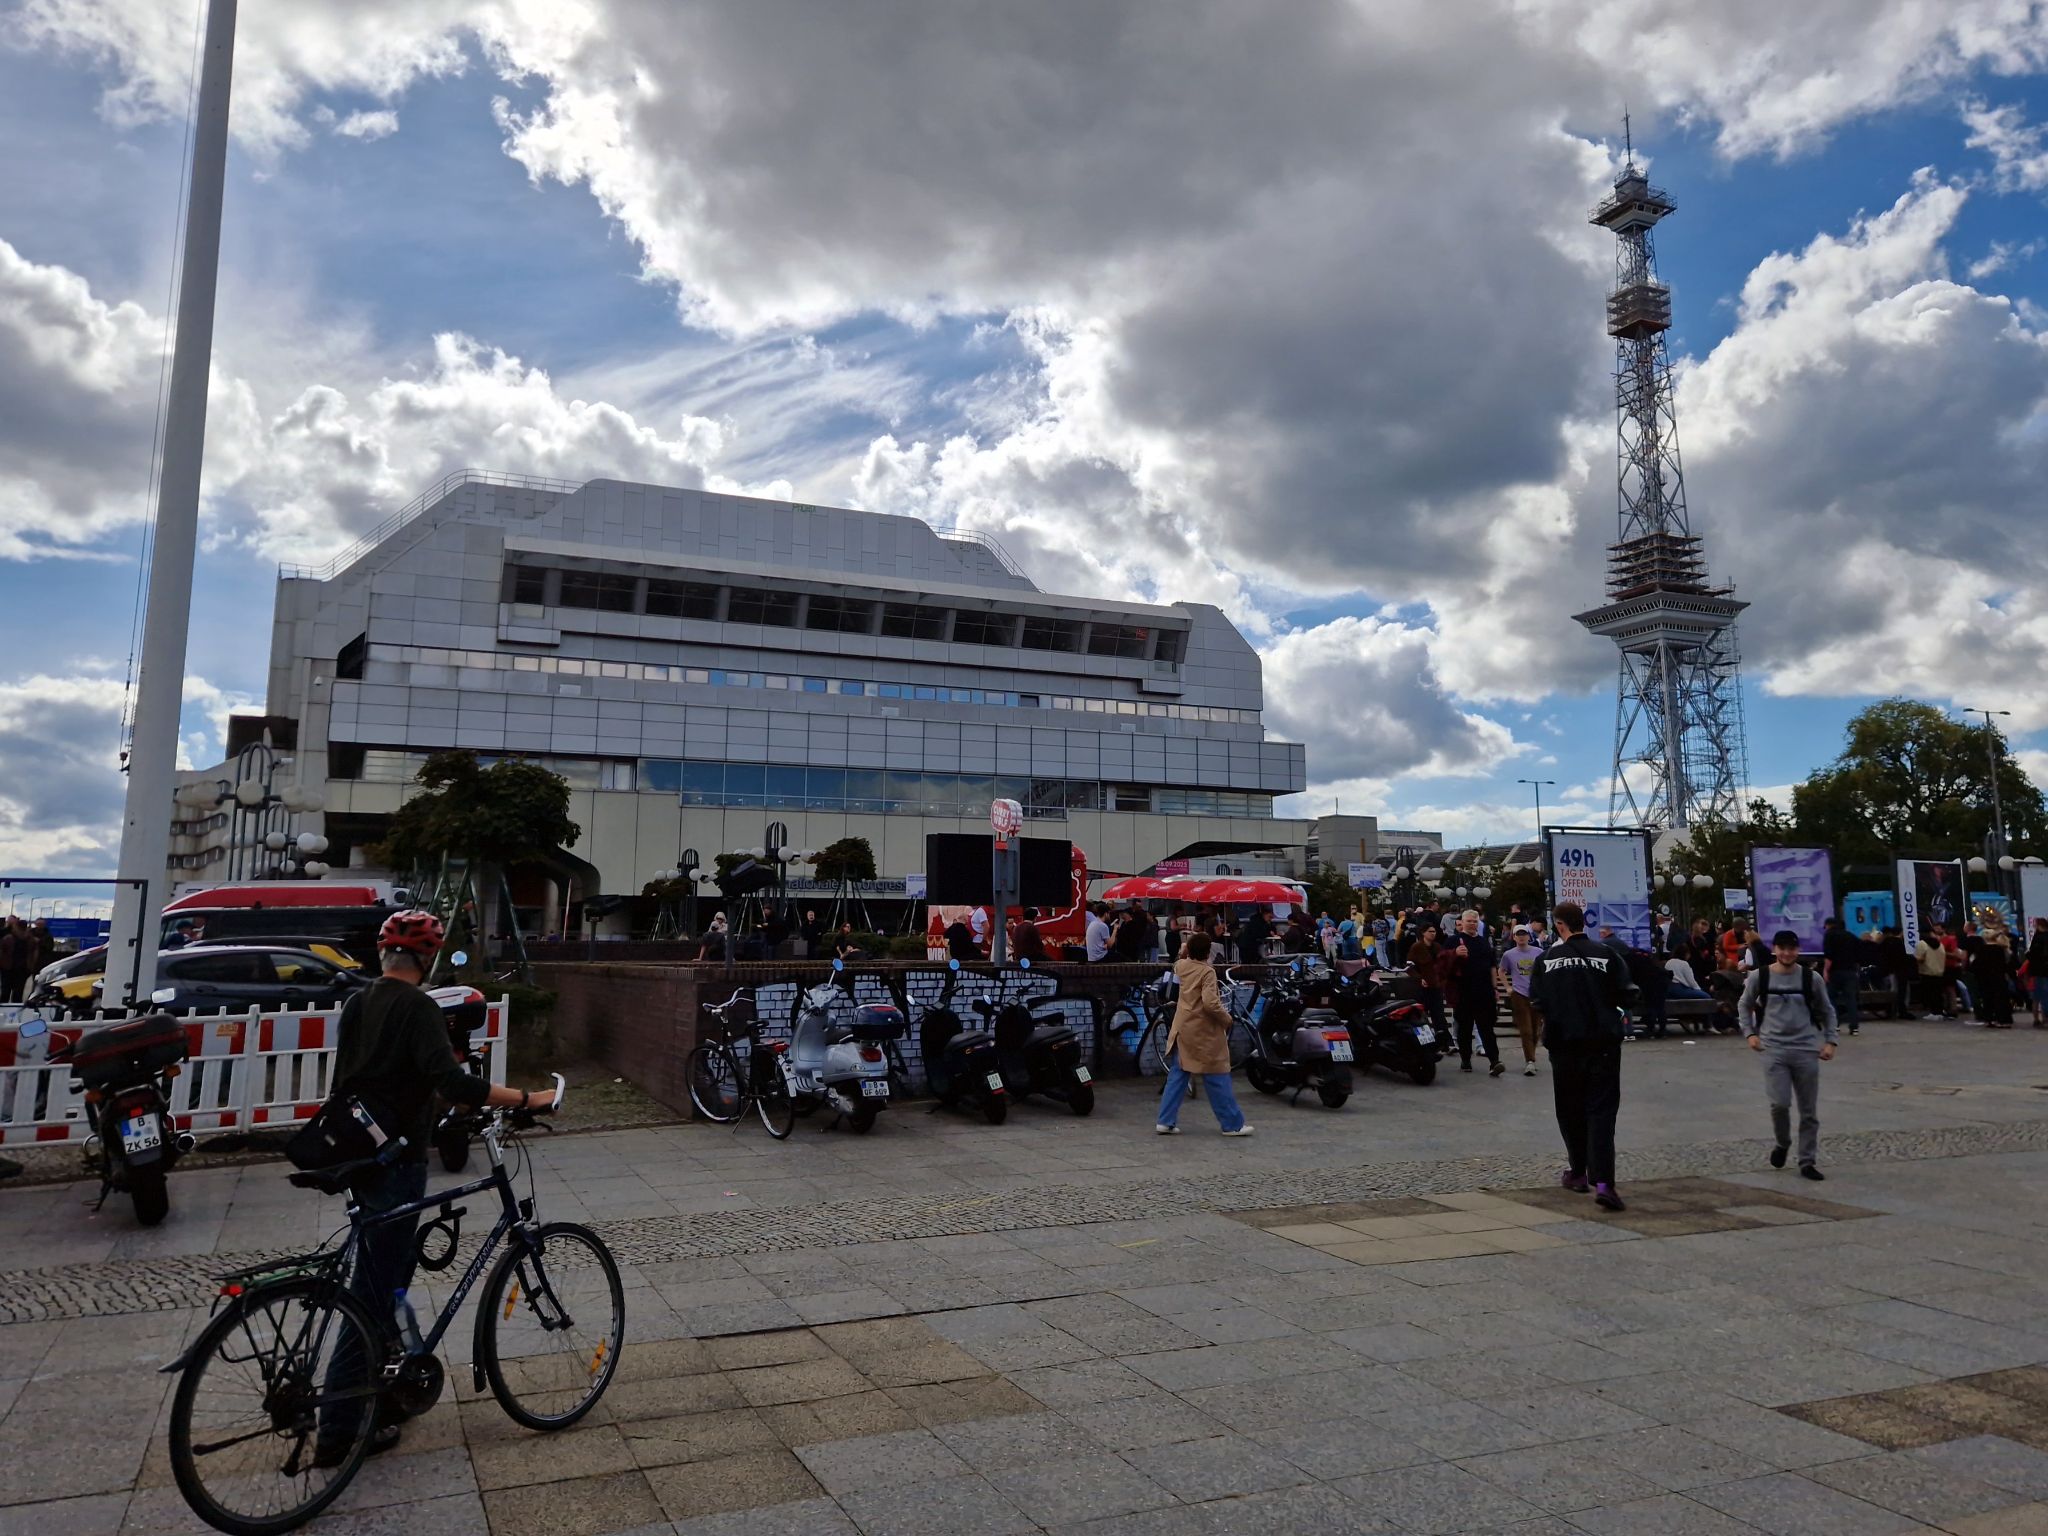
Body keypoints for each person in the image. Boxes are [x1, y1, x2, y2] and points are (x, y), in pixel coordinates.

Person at [317, 911, 555, 1465]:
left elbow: (355, 1080)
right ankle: (337, 1429)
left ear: (384, 955)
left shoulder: (358, 1002)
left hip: (357, 1153)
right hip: (397, 1161)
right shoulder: (419, 1006)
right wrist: (526, 1099)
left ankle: (387, 1392)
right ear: (427, 959)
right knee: (372, 1297)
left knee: (392, 1276)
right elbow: (450, 1080)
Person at [1530, 900, 1638, 1212]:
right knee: (1601, 1112)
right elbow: (1629, 993)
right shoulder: (1607, 954)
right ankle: (1604, 1183)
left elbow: (1537, 1001)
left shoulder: (1547, 959)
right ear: (1584, 923)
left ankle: (1578, 1172)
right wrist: (1609, 1011)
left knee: (1570, 1109)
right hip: (1602, 1044)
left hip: (1564, 1044)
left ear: (1559, 925)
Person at [1740, 928, 1839, 1180]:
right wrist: (1750, 1034)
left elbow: (1827, 1010)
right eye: (1782, 948)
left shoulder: (1811, 978)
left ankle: (1807, 1161)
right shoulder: (1760, 976)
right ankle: (1782, 1142)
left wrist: (1831, 1041)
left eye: (1791, 948)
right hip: (1774, 1048)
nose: (1786, 953)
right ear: (1774, 950)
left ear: (1798, 950)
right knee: (1779, 1103)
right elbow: (1744, 1004)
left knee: (1808, 1111)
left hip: (1806, 1048)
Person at [1154, 931, 1252, 1137]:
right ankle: (1232, 1124)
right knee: (1217, 1073)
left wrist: (1184, 950)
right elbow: (1210, 1003)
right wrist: (1226, 1019)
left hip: (1182, 1027)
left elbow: (1179, 960)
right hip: (1202, 1031)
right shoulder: (1207, 972)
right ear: (1208, 952)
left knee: (1178, 1073)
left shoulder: (1181, 966)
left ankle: (1165, 1120)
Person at [1448, 911, 1503, 1076]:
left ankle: (1494, 1061)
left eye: (1475, 921)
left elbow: (1492, 966)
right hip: (1463, 992)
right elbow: (1442, 962)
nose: (1472, 924)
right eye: (1469, 921)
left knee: (1487, 1028)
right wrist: (1455, 954)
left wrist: (1495, 988)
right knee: (1464, 1029)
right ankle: (1465, 1059)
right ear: (1462, 922)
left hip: (1484, 992)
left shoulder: (1484, 942)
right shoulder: (1453, 941)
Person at [1498, 925, 1544, 1075]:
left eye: (1524, 934)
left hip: (1536, 994)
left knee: (1536, 1029)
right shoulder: (1509, 955)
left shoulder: (1539, 952)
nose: (1522, 937)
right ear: (1514, 937)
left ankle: (1532, 1056)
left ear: (1529, 936)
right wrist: (1507, 987)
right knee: (1525, 1029)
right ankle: (1529, 1061)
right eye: (1518, 934)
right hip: (1519, 994)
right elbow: (1501, 970)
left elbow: (1544, 970)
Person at [1820, 918, 1862, 1037]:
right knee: (1851, 999)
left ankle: (1835, 1024)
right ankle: (1854, 1027)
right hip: (1850, 971)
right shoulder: (1851, 936)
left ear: (1828, 925)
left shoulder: (1829, 935)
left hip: (1835, 971)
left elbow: (1829, 956)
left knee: (1831, 998)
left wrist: (1825, 971)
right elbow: (1860, 953)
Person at [1408, 925, 1448, 1045]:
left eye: (1434, 931)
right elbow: (1409, 966)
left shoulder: (1437, 947)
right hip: (1422, 987)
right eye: (1430, 931)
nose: (1433, 933)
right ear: (1423, 933)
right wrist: (1419, 978)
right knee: (1420, 1015)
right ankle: (1422, 1041)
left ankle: (1444, 1043)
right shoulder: (1417, 947)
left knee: (1439, 1015)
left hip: (1436, 986)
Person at [1972, 920, 2014, 1027]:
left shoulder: (1981, 950)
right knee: (2001, 999)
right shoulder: (2000, 949)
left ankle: (1989, 1018)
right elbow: (2006, 964)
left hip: (1986, 978)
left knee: (1988, 999)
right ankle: (2003, 1019)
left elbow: (1976, 965)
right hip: (1999, 977)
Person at [1914, 925, 1951, 1018]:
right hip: (1939, 972)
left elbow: (1919, 959)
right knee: (1938, 994)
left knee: (1929, 994)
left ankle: (1933, 1013)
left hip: (1927, 973)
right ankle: (1939, 1012)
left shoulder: (1922, 944)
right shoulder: (1940, 944)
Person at [2027, 918, 2048, 1026]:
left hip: (2038, 970)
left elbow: (2032, 953)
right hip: (2043, 969)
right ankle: (2045, 1017)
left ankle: (2037, 1018)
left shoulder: (2037, 937)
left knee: (2037, 996)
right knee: (2045, 995)